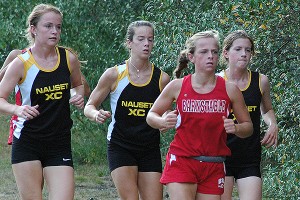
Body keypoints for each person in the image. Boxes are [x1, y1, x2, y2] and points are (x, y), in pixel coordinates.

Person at [146, 30, 253, 200]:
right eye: (203, 52)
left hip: (214, 163)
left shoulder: (230, 89)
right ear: (191, 56)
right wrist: (162, 121)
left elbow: (248, 127)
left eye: (214, 52)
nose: (210, 56)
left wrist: (237, 128)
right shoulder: (178, 86)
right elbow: (151, 115)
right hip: (182, 160)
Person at [0, 4, 85, 199]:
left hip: (59, 141)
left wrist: (77, 95)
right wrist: (17, 109)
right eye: (48, 26)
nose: (55, 31)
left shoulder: (68, 58)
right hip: (28, 141)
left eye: (58, 27)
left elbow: (78, 85)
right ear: (33, 29)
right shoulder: (21, 62)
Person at [84, 20, 170, 200]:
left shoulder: (162, 78)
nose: (147, 43)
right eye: (141, 39)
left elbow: (165, 113)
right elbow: (89, 106)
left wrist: (165, 121)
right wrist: (96, 114)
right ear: (129, 43)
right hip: (120, 146)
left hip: (149, 147)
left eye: (150, 39)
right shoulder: (114, 74)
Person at [218, 30, 278, 200]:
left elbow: (266, 110)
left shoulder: (261, 81)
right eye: (238, 49)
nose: (244, 54)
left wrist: (272, 124)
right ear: (226, 53)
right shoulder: (216, 81)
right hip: (221, 157)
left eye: (248, 50)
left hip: (249, 157)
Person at [0, 48, 90, 145]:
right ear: (34, 32)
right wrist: (12, 67)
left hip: (54, 124)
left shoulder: (63, 58)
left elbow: (84, 89)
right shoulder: (17, 56)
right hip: (24, 122)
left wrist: (76, 95)